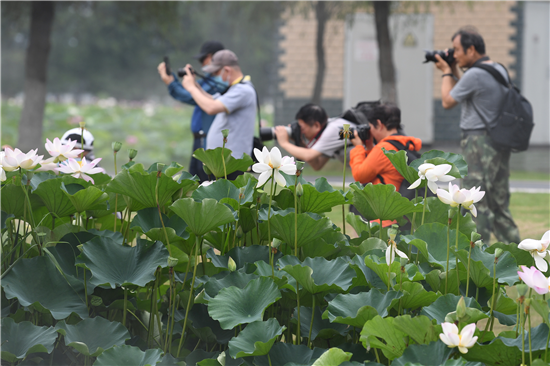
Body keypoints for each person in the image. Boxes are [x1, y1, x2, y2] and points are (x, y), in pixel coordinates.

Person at [435, 27, 520, 244]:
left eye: (457, 50)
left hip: (478, 144)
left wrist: (446, 71)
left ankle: (477, 254)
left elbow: (447, 101)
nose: (454, 55)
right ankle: (517, 256)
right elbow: (467, 86)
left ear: (471, 49)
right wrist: (454, 66)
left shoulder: (475, 74)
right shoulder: (497, 68)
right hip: (497, 141)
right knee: (499, 202)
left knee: (475, 200)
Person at [180, 49, 257, 179]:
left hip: (232, 164)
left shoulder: (243, 90)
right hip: (223, 163)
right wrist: (195, 85)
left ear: (227, 70)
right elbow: (212, 100)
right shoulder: (235, 89)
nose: (214, 77)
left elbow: (211, 107)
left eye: (216, 73)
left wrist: (191, 88)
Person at [157, 41, 225, 182]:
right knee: (195, 182)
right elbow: (190, 91)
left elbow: (190, 96)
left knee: (206, 182)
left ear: (214, 57)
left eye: (203, 59)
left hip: (209, 140)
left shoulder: (220, 81)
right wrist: (177, 80)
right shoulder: (208, 80)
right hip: (199, 139)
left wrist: (171, 82)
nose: (202, 64)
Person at [349, 103, 422, 191]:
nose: (370, 131)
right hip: (402, 198)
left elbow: (359, 175)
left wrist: (358, 147)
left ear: (379, 124)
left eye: (370, 127)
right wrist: (370, 147)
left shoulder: (384, 149)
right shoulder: (405, 143)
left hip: (386, 202)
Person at [274, 104, 357, 170]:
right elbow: (317, 165)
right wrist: (300, 142)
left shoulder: (332, 130)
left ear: (316, 125)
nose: (301, 132)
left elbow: (309, 156)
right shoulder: (328, 127)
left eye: (302, 128)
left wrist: (284, 143)